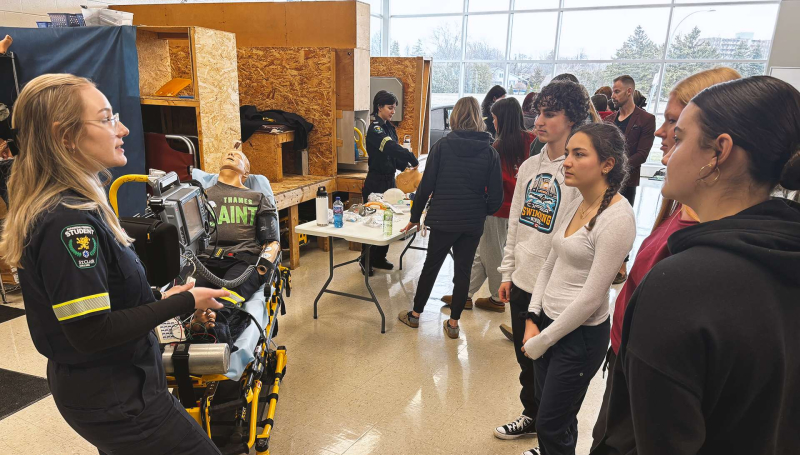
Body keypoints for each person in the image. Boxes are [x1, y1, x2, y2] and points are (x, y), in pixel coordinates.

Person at [0, 74, 229, 454]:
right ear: (65, 136)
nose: (122, 128)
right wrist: (183, 303)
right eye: (107, 119)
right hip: (118, 399)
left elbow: (107, 298)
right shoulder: (68, 223)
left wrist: (162, 298)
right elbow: (89, 332)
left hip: (124, 386)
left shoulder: (77, 205)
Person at [593, 75, 800, 455]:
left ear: (718, 151)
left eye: (681, 134)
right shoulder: (781, 250)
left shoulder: (681, 283)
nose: (665, 142)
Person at [589, 67, 741, 451]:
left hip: (645, 383)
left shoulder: (710, 246)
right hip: (625, 361)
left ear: (717, 149)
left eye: (675, 122)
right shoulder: (681, 208)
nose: (662, 131)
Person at [522, 122, 636, 455]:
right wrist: (533, 316)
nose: (566, 161)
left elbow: (592, 297)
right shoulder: (578, 201)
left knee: (550, 423)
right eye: (568, 153)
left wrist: (543, 339)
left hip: (579, 338)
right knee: (553, 413)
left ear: (607, 164)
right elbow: (550, 261)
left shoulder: (617, 218)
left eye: (579, 154)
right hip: (550, 325)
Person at [492, 80, 587, 442]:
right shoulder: (531, 165)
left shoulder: (580, 169)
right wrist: (507, 273)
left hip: (558, 289)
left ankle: (552, 438)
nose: (539, 121)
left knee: (553, 371)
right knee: (526, 361)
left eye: (550, 114)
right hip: (522, 280)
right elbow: (516, 221)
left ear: (572, 118)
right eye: (538, 113)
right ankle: (531, 416)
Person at [398, 96, 502, 339]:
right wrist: (479, 209)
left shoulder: (442, 147)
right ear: (479, 118)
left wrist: (415, 216)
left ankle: (415, 315)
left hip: (443, 219)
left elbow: (425, 187)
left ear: (454, 117)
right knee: (463, 270)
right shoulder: (490, 153)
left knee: (431, 267)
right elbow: (496, 199)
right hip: (472, 222)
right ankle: (453, 324)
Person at [440, 97, 535, 313]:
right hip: (520, 208)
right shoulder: (531, 140)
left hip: (497, 207)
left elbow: (490, 180)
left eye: (494, 118)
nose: (492, 123)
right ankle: (464, 294)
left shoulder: (499, 146)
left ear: (502, 119)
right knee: (481, 252)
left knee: (492, 252)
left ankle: (497, 297)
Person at [362, 90, 419, 276]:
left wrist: (405, 164)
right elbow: (389, 146)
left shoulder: (390, 128)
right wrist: (408, 154)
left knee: (389, 218)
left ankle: (380, 257)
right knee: (372, 221)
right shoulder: (375, 129)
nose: (393, 111)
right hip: (375, 180)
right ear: (379, 107)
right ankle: (366, 259)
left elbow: (393, 155)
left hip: (389, 180)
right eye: (390, 107)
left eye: (394, 108)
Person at [607, 74, 655, 284]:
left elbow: (642, 154)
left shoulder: (645, 119)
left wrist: (618, 168)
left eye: (616, 91)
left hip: (626, 181)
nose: (613, 95)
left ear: (629, 91)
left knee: (622, 222)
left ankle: (622, 264)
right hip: (605, 178)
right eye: (612, 92)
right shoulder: (609, 120)